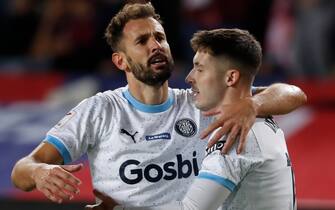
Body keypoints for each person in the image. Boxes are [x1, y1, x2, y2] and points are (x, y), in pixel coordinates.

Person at [11, 2, 306, 207]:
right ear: (120, 61)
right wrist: (40, 173)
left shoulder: (200, 103)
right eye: (142, 41)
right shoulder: (99, 111)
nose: (156, 45)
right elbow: (22, 170)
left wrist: (252, 105)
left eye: (160, 37)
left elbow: (292, 93)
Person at [105, 28, 296, 210]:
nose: (189, 77)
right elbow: (294, 93)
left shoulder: (237, 133)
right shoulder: (258, 115)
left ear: (230, 78)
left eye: (200, 69)